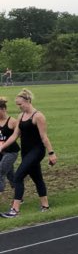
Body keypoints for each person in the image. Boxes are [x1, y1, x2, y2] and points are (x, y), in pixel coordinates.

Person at [0, 89, 56, 217]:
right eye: (17, 105)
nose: (19, 107)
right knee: (37, 178)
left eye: (20, 104)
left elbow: (44, 137)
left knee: (18, 176)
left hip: (37, 151)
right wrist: (2, 147)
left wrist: (51, 153)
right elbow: (15, 135)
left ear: (28, 101)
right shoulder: (20, 116)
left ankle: (15, 210)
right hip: (25, 151)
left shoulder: (38, 116)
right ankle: (45, 206)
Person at [0, 98, 19, 194]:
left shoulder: (12, 122)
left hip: (11, 152)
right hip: (0, 152)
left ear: (3, 109)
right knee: (10, 174)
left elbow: (19, 136)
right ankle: (19, 195)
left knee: (1, 170)